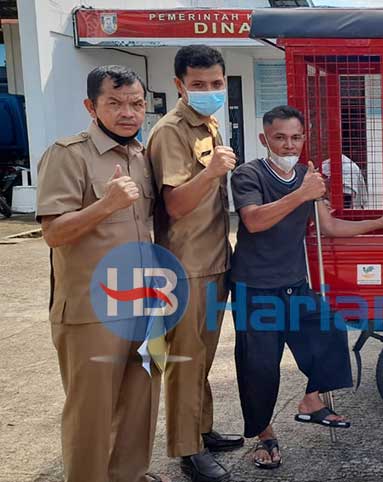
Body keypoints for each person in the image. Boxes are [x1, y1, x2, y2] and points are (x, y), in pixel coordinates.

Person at [230, 105, 383, 469]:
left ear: (304, 139)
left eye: (295, 138)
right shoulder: (248, 174)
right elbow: (253, 221)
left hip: (294, 284)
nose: (288, 145)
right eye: (279, 138)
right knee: (260, 366)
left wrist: (381, 221)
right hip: (256, 287)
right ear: (265, 138)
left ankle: (312, 400)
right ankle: (264, 435)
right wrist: (302, 192)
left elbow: (330, 226)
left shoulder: (308, 176)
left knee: (330, 332)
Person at [36, 65, 166, 482]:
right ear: (91, 107)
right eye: (115, 103)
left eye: (136, 103)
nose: (128, 112)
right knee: (90, 410)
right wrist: (106, 205)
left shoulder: (142, 156)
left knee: (141, 398)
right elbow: (54, 232)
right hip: (92, 309)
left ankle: (129, 474)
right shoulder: (68, 154)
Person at [147, 45, 243, 482]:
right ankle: (187, 449)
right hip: (185, 265)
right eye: (199, 85)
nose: (209, 91)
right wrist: (209, 174)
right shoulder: (171, 132)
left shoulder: (209, 124)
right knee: (185, 360)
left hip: (214, 258)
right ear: (179, 85)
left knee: (201, 357)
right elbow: (175, 205)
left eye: (217, 84)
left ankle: (200, 429)